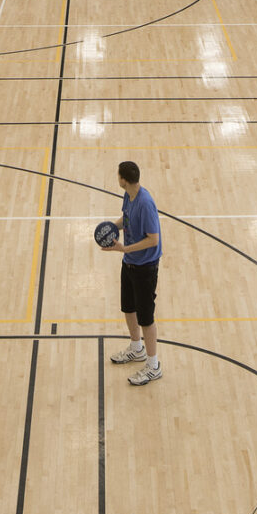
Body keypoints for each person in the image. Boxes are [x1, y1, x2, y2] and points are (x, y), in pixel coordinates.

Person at [101, 160, 163, 384]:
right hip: (129, 262)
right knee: (128, 307)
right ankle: (137, 349)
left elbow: (153, 239)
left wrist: (123, 248)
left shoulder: (145, 203)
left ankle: (153, 365)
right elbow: (125, 219)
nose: (117, 178)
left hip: (145, 267)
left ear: (123, 180)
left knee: (146, 318)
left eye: (118, 175)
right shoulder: (129, 195)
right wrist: (110, 227)